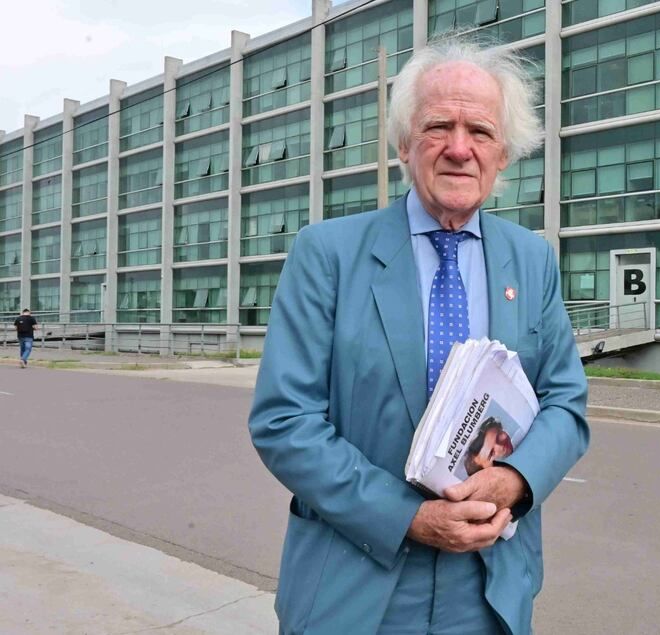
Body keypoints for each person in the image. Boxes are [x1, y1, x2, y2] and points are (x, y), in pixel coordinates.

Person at [248, 35, 589, 635]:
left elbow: (566, 403)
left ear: (503, 151)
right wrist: (408, 517)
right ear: (404, 142)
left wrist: (514, 479)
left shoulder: (532, 262)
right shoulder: (327, 254)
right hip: (354, 586)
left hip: (488, 591)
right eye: (439, 127)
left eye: (480, 132)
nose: (460, 149)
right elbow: (284, 421)